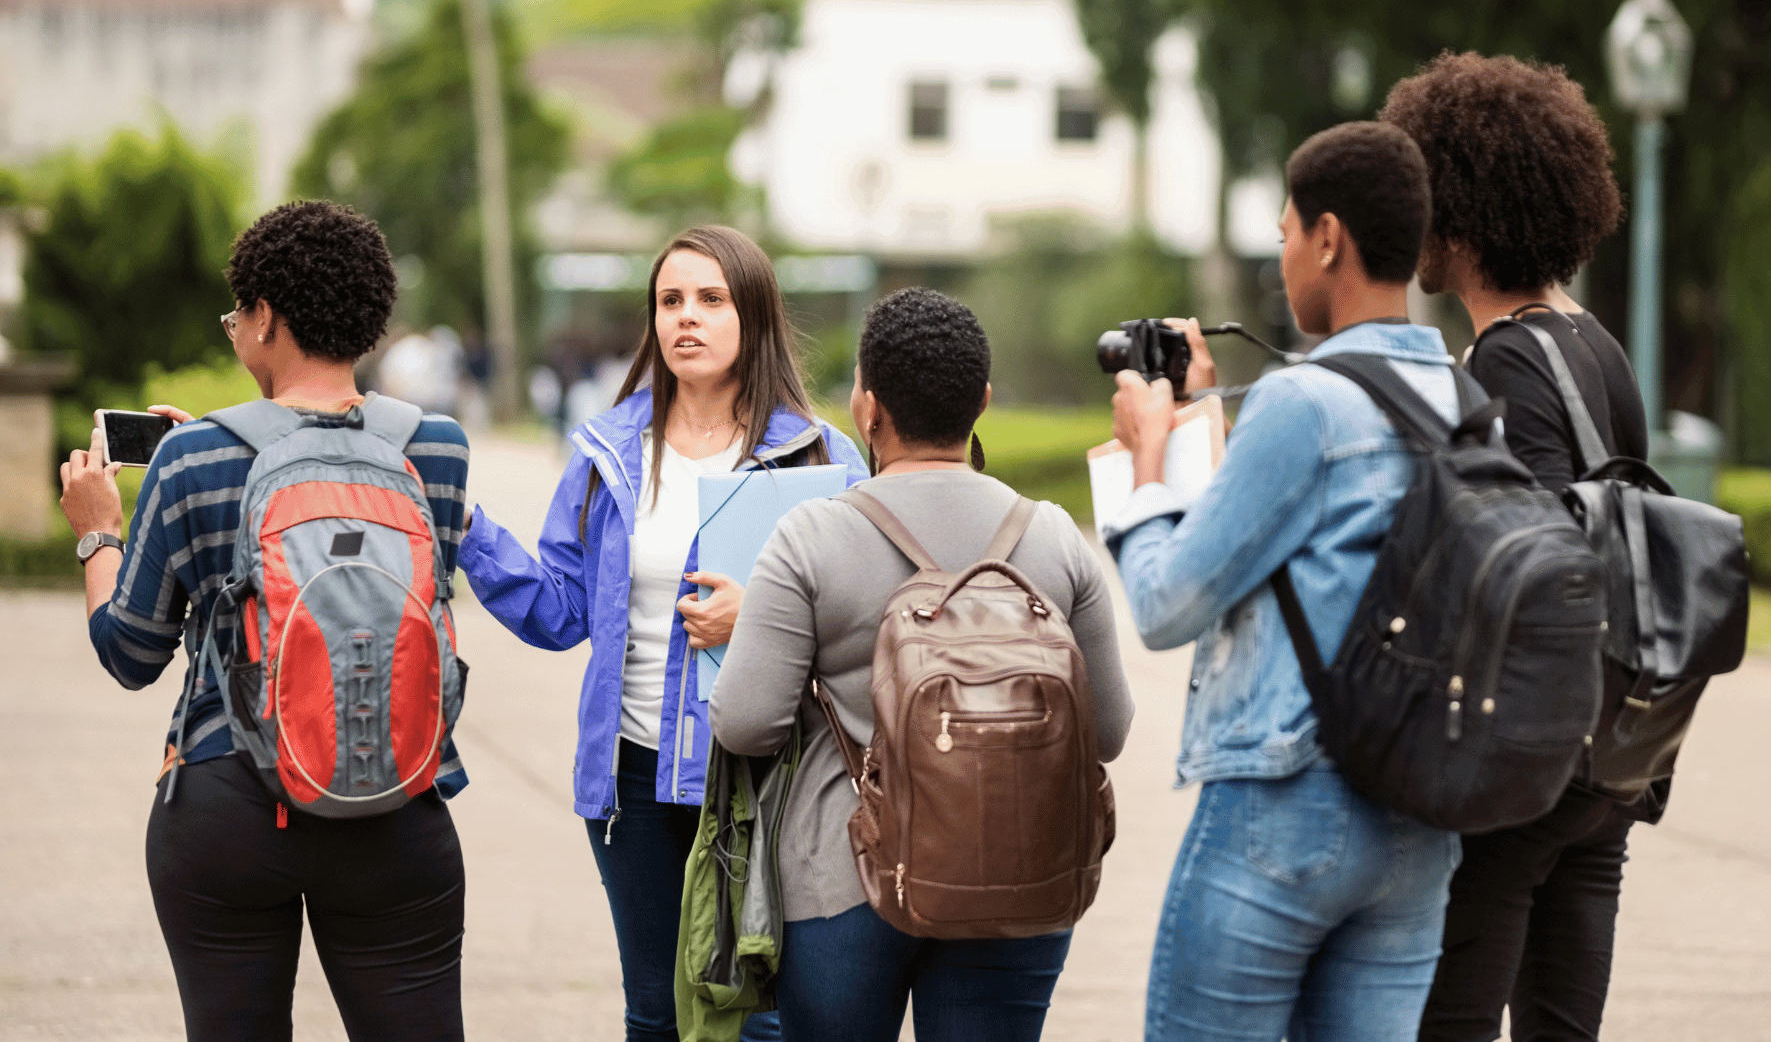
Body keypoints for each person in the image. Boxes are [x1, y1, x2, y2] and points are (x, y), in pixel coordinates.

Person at [58, 200, 473, 1041]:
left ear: (266, 319)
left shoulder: (193, 456)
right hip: (396, 794)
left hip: (228, 804)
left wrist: (99, 531)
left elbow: (130, 652)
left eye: (236, 314)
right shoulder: (437, 446)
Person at [455, 225, 866, 1042]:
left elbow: (871, 616)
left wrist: (765, 615)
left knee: (762, 1018)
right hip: (632, 779)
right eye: (670, 300)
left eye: (711, 299)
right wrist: (466, 525)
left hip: (767, 778)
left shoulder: (821, 456)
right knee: (655, 1013)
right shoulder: (609, 451)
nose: (687, 317)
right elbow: (558, 611)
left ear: (754, 315)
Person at [1105, 121, 1460, 1041]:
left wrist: (1149, 463)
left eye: (1285, 236)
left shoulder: (1304, 401)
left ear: (1328, 237)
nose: (1286, 258)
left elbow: (1166, 604)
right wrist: (1210, 428)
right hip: (1421, 821)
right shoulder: (1468, 400)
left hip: (1287, 802)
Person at [709, 286, 1134, 1042]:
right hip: (1020, 872)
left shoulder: (810, 537)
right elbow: (1108, 731)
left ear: (866, 410)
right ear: (983, 403)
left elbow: (744, 724)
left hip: (846, 877)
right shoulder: (1055, 537)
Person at [1380, 51, 1643, 1042]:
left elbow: (1528, 556)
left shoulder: (1505, 356)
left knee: (1446, 1021)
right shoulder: (1592, 342)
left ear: (1458, 215)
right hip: (1611, 751)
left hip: (1533, 760)